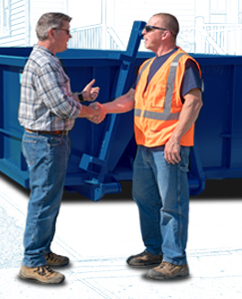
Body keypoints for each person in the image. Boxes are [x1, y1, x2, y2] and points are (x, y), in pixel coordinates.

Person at [90, 13, 203, 280]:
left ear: (166, 33)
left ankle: (175, 261)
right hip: (145, 146)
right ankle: (155, 251)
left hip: (168, 147)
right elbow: (131, 99)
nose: (143, 33)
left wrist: (175, 139)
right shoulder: (146, 66)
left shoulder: (183, 63)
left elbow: (194, 102)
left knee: (171, 205)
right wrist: (102, 108)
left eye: (149, 29)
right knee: (145, 199)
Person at [18, 12, 101, 284]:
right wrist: (90, 111)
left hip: (49, 140)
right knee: (43, 202)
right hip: (45, 141)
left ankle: (42, 250)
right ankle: (32, 261)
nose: (70, 36)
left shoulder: (49, 61)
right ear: (52, 33)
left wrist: (80, 97)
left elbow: (57, 99)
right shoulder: (44, 64)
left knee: (49, 200)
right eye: (67, 31)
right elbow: (62, 107)